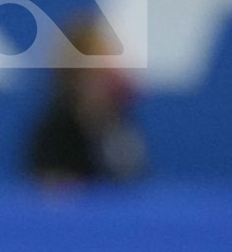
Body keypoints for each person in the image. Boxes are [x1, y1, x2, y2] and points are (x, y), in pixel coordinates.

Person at [23, 15, 147, 185]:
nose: (110, 74)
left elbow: (134, 180)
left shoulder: (119, 123)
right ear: (75, 77)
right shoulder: (55, 132)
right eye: (98, 71)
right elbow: (49, 188)